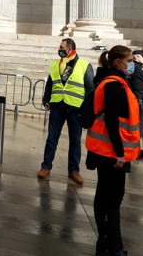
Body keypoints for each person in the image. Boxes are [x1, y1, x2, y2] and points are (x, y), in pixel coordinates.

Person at [85, 45, 143, 256]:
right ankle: (115, 246)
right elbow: (112, 120)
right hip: (111, 152)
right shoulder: (114, 85)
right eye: (129, 60)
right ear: (118, 62)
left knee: (105, 195)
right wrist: (120, 153)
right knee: (113, 198)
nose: (132, 64)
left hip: (107, 149)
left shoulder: (115, 82)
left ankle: (105, 242)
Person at [39, 38, 94, 185]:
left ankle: (74, 170)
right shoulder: (55, 64)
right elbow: (50, 84)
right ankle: (46, 167)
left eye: (61, 47)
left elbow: (90, 90)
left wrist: (87, 109)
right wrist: (46, 99)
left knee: (75, 141)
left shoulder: (84, 65)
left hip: (76, 108)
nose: (60, 49)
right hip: (57, 106)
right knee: (52, 138)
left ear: (70, 48)